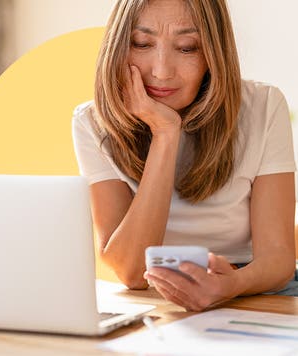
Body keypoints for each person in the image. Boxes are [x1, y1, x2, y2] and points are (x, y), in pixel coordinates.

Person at [72, 0, 297, 311]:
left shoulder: (262, 106)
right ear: (119, 46)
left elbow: (279, 258)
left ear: (213, 54)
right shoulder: (92, 123)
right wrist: (165, 134)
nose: (162, 72)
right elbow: (131, 270)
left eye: (188, 47)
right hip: (153, 295)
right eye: (142, 43)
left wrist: (230, 285)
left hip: (251, 286)